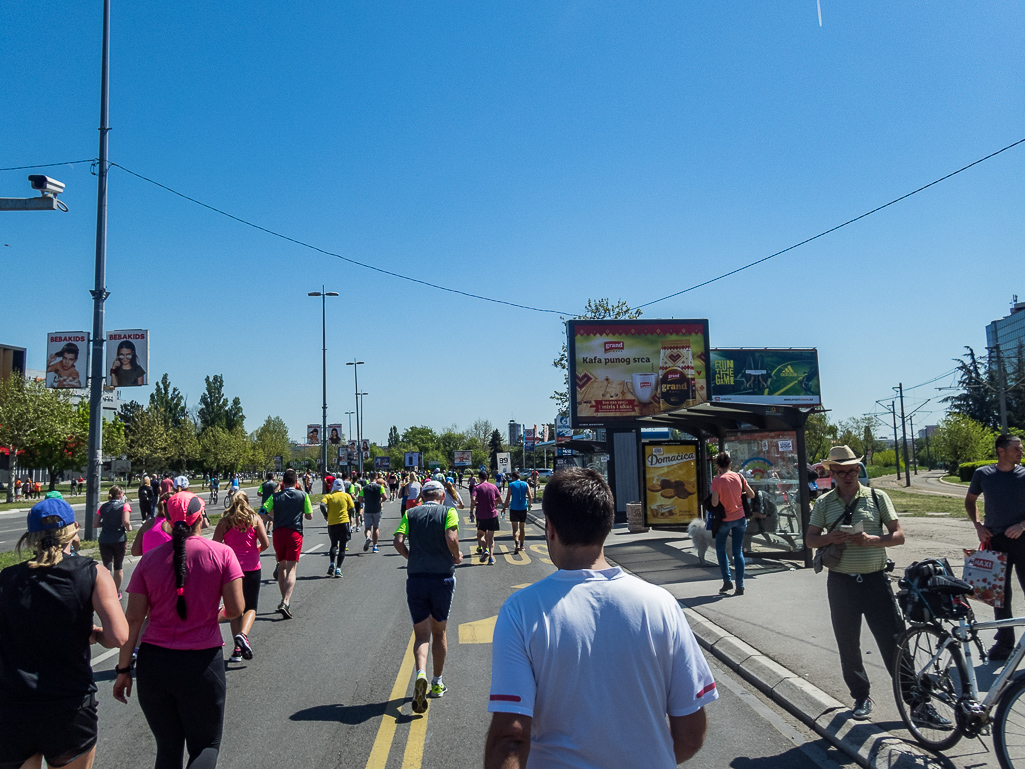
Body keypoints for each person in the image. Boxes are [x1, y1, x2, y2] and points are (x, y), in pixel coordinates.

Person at [484, 468, 716, 768]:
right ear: (606, 526)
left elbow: (510, 738)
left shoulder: (520, 611)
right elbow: (690, 734)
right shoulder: (662, 605)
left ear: (550, 528)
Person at [113, 491, 243, 768]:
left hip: (154, 665)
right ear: (200, 518)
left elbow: (133, 619)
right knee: (205, 746)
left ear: (169, 521)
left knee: (168, 748)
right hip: (202, 663)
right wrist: (212, 614)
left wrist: (123, 670)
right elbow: (235, 610)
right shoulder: (222, 554)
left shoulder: (149, 560)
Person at [0, 498, 128, 769]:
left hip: (14, 704)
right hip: (69, 704)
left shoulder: (7, 577)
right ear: (74, 530)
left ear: (31, 536)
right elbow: (118, 636)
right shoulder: (92, 572)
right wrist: (95, 634)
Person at [806, 444, 905, 721]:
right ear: (832, 473)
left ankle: (916, 701)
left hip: (876, 580)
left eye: (853, 470)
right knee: (848, 643)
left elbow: (898, 535)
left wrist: (874, 540)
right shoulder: (824, 503)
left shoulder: (877, 496)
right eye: (842, 472)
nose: (849, 476)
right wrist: (830, 538)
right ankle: (861, 696)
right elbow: (810, 540)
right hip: (842, 583)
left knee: (894, 642)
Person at [392, 479, 463, 713]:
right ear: (442, 496)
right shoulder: (449, 512)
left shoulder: (411, 513)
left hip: (416, 578)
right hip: (442, 577)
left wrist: (409, 556)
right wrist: (457, 555)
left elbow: (398, 542)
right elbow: (451, 538)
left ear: (422, 496)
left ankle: (420, 673)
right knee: (439, 631)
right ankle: (437, 681)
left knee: (421, 635)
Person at [965, 433, 1025, 660]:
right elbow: (970, 501)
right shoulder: (983, 474)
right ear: (1001, 451)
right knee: (999, 596)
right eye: (1016, 449)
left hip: (1023, 540)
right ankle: (1005, 644)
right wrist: (978, 525)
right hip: (995, 540)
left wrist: (1022, 525)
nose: (1021, 452)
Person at [214, 491, 270, 663]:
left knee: (234, 609)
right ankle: (242, 636)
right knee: (251, 607)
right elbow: (266, 543)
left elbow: (215, 545)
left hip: (231, 569)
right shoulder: (254, 519)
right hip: (252, 567)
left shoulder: (225, 521)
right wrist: (254, 552)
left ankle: (237, 650)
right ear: (247, 502)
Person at [260, 468, 313, 619]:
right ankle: (286, 601)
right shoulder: (303, 495)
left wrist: (272, 519)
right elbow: (309, 516)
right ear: (296, 482)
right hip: (294, 533)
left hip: (278, 533)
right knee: (292, 568)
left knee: (282, 566)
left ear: (283, 483)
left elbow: (262, 512)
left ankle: (284, 599)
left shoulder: (275, 497)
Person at [710, 452, 755, 596]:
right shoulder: (739, 477)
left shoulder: (717, 480)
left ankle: (727, 581)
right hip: (740, 519)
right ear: (730, 464)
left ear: (717, 466)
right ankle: (740, 585)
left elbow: (715, 502)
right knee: (738, 552)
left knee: (721, 549)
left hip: (724, 520)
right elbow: (751, 494)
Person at [95, 485, 133, 598]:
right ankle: (115, 592)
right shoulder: (125, 505)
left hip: (104, 539)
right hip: (119, 539)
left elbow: (95, 524)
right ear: (121, 494)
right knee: (118, 566)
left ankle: (105, 590)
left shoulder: (103, 507)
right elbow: (126, 521)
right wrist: (129, 527)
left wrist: (105, 524)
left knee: (106, 566)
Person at [321, 478, 355, 577]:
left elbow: (322, 505)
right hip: (344, 522)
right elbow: (352, 509)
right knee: (342, 547)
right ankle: (338, 569)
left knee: (333, 545)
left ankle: (332, 564)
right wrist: (348, 515)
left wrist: (326, 514)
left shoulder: (329, 496)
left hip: (332, 523)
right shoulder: (346, 496)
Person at [472, 470, 501, 565]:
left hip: (481, 515)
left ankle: (484, 550)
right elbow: (500, 500)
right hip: (493, 515)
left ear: (479, 477)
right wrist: (494, 501)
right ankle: (491, 558)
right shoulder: (493, 487)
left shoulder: (477, 488)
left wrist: (473, 507)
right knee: (491, 538)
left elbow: (473, 500)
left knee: (480, 535)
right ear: (487, 477)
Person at [501, 471, 533, 555]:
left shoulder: (511, 485)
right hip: (523, 508)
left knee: (515, 529)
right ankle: (522, 545)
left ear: (513, 477)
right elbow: (530, 496)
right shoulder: (525, 484)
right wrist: (530, 504)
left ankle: (517, 543)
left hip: (514, 508)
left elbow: (508, 497)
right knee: (522, 527)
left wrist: (504, 507)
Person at [361, 473, 387, 553]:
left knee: (368, 527)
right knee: (376, 528)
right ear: (376, 478)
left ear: (369, 478)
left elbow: (359, 499)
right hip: (377, 509)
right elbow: (385, 497)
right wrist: (380, 501)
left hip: (368, 509)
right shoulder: (380, 487)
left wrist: (365, 501)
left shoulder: (364, 488)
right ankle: (375, 546)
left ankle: (368, 538)